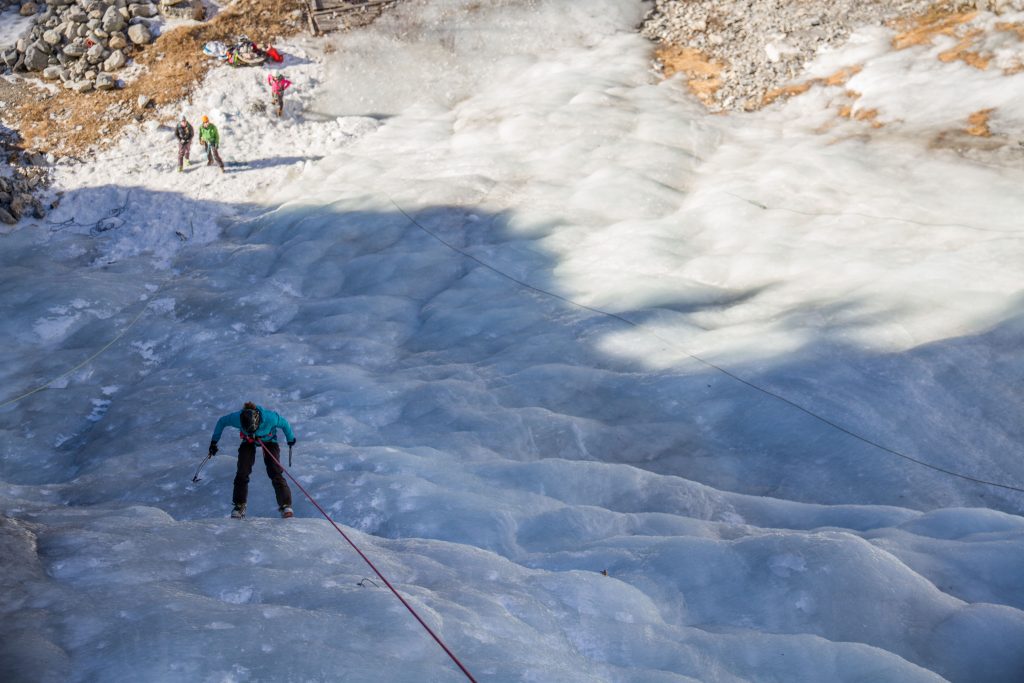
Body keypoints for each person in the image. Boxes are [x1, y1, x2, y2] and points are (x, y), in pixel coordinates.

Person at [208, 401, 296, 519]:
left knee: (274, 471)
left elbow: (285, 424)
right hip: (248, 441)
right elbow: (222, 421)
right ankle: (239, 505)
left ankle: (286, 505)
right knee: (242, 471)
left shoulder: (270, 418)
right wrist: (214, 442)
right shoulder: (237, 418)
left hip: (269, 440)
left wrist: (290, 438)